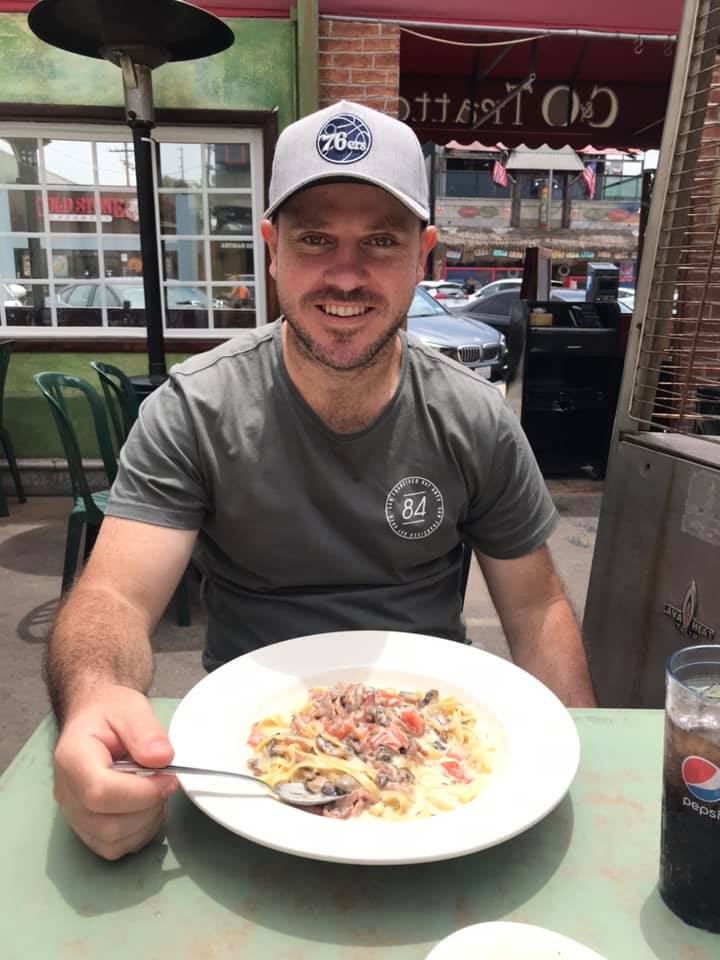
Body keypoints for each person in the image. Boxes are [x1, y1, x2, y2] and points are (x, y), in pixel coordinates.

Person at [45, 100, 596, 860]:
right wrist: (95, 698)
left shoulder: (474, 418)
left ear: (423, 256)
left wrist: (583, 761)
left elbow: (536, 609)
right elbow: (114, 597)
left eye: (380, 241)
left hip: (433, 757)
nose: (346, 275)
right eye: (314, 239)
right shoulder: (194, 410)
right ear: (272, 250)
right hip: (243, 757)